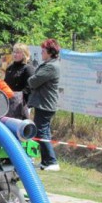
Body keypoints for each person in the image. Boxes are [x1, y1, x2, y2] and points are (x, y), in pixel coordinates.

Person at [27, 38, 61, 171]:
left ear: (50, 52)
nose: (41, 53)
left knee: (41, 132)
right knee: (43, 132)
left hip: (46, 105)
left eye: (43, 50)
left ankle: (52, 161)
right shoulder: (49, 64)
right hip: (43, 103)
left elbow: (33, 81)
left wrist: (31, 79)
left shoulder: (51, 66)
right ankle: (46, 161)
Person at [4, 43, 36, 119]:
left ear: (24, 54)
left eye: (18, 52)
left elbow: (29, 87)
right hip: (9, 102)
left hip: (23, 104)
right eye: (14, 52)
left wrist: (16, 96)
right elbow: (5, 84)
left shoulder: (28, 68)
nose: (15, 54)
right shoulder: (10, 68)